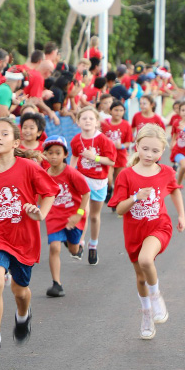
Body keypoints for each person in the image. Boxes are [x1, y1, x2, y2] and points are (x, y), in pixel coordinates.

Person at [0, 118, 57, 363]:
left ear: (16, 142)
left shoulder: (28, 167)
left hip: (23, 237)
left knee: (20, 291)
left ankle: (23, 315)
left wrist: (41, 214)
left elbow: (49, 192)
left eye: (4, 134)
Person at [107, 125, 185, 340]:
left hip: (159, 226)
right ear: (137, 146)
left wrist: (181, 216)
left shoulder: (166, 172)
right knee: (141, 278)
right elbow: (119, 209)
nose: (150, 154)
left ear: (162, 152)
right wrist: (136, 198)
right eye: (145, 149)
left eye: (155, 151)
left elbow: (175, 190)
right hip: (134, 232)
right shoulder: (126, 175)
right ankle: (147, 314)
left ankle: (156, 296)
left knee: (146, 260)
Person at [42, 136, 90, 298]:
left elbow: (86, 193)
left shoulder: (71, 173)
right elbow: (41, 195)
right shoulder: (44, 175)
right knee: (54, 247)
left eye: (58, 153)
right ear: (45, 155)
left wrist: (79, 214)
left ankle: (77, 247)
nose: (54, 156)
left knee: (73, 249)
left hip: (72, 216)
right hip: (54, 217)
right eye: (50, 153)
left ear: (65, 154)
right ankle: (57, 284)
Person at [70, 106, 117, 266]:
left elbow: (111, 161)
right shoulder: (76, 140)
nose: (87, 121)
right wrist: (70, 173)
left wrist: (94, 157)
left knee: (94, 216)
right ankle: (80, 243)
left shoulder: (104, 140)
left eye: (91, 118)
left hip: (99, 181)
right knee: (84, 211)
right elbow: (74, 156)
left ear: (97, 122)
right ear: (78, 122)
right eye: (84, 118)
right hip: (83, 179)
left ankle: (93, 245)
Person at [101, 100, 133, 206]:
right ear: (110, 111)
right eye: (116, 110)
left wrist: (121, 146)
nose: (118, 113)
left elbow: (128, 142)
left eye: (121, 110)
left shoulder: (126, 125)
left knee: (119, 180)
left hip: (121, 155)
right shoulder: (104, 123)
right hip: (107, 156)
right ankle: (109, 190)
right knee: (109, 179)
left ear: (124, 112)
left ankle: (117, 201)